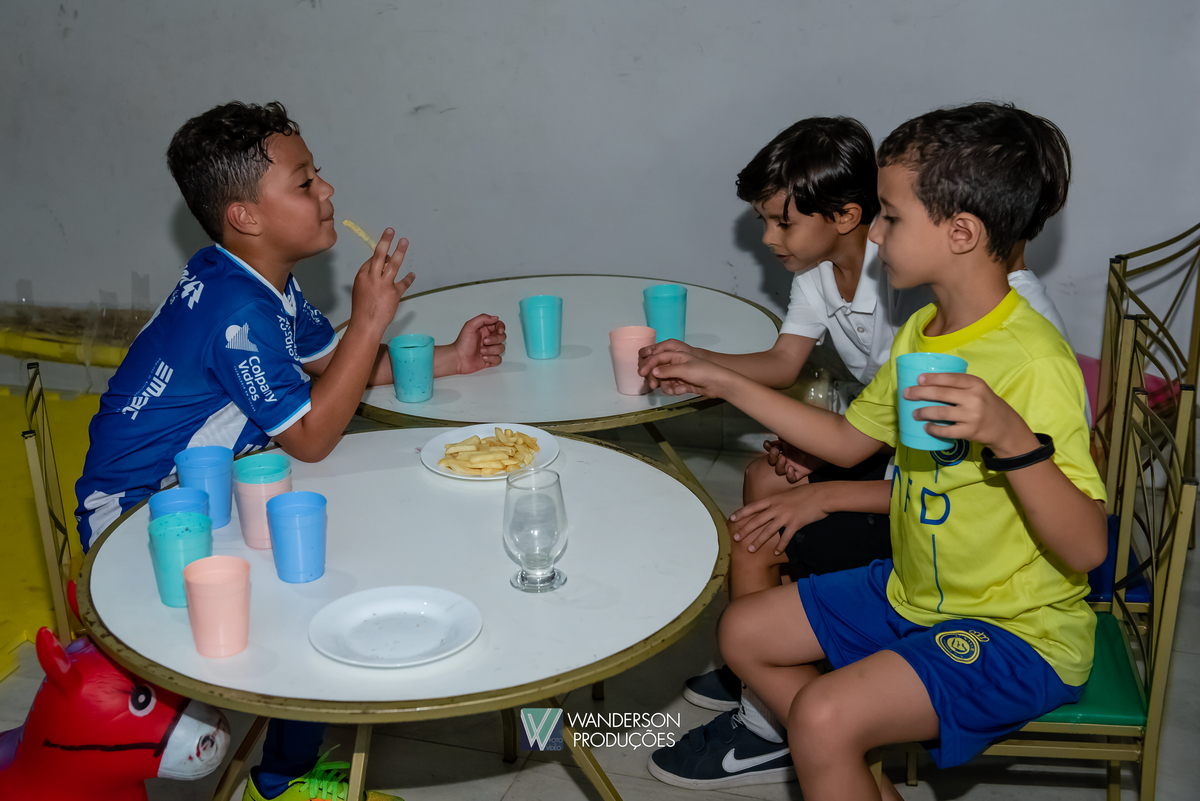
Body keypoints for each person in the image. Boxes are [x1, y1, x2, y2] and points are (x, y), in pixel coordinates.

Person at [644, 102, 1106, 798]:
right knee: (743, 632)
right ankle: (842, 768)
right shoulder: (924, 330)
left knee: (824, 716)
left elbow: (1089, 548)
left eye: (890, 216)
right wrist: (721, 378)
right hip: (916, 591)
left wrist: (1012, 438)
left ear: (960, 232)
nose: (877, 233)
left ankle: (826, 748)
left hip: (1016, 629)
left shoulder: (1032, 360)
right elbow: (846, 440)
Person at [74, 101, 506, 801]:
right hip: (139, 520)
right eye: (305, 182)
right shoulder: (237, 313)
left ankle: (286, 766)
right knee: (316, 588)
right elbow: (312, 438)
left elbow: (329, 366)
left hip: (206, 493)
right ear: (246, 216)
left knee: (335, 549)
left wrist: (450, 358)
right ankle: (284, 781)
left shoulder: (253, 279)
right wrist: (370, 319)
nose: (327, 190)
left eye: (318, 174)